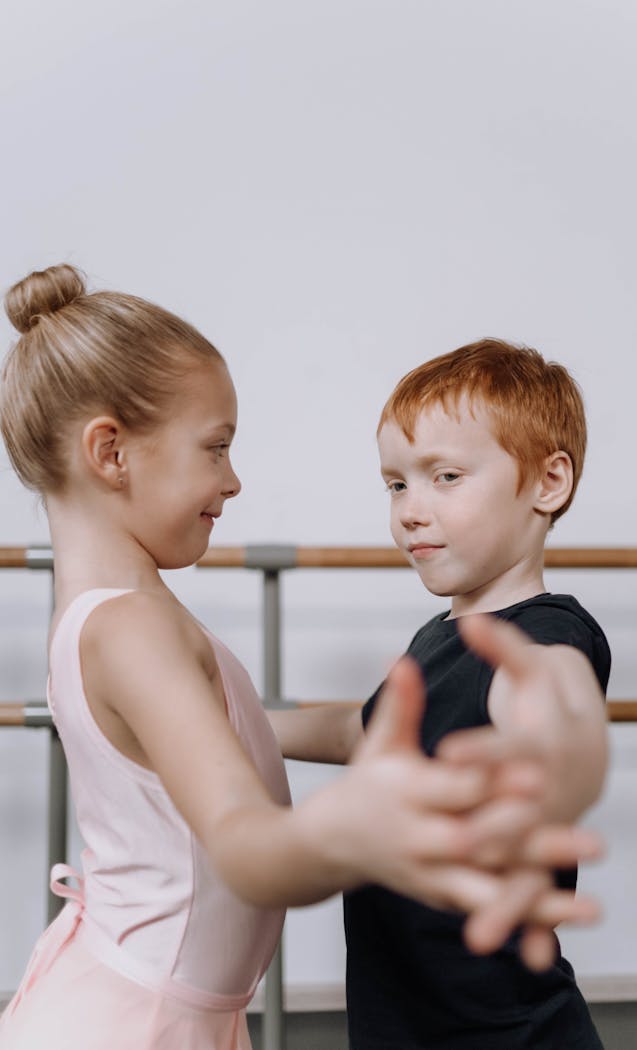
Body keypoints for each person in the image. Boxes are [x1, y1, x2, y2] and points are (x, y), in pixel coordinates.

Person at [0, 271, 599, 1050]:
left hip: (180, 1008)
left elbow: (482, 702)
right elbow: (244, 838)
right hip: (138, 1021)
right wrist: (357, 830)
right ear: (110, 453)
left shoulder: (111, 619)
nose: (234, 478)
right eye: (216, 447)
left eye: (444, 477)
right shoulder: (130, 630)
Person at [270, 339, 610, 1049]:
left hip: (503, 1034)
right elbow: (367, 731)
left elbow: (550, 697)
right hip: (405, 1021)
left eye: (445, 477)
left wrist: (552, 744)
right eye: (396, 485)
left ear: (548, 482)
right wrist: (239, 720)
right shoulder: (439, 634)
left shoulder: (545, 634)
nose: (410, 511)